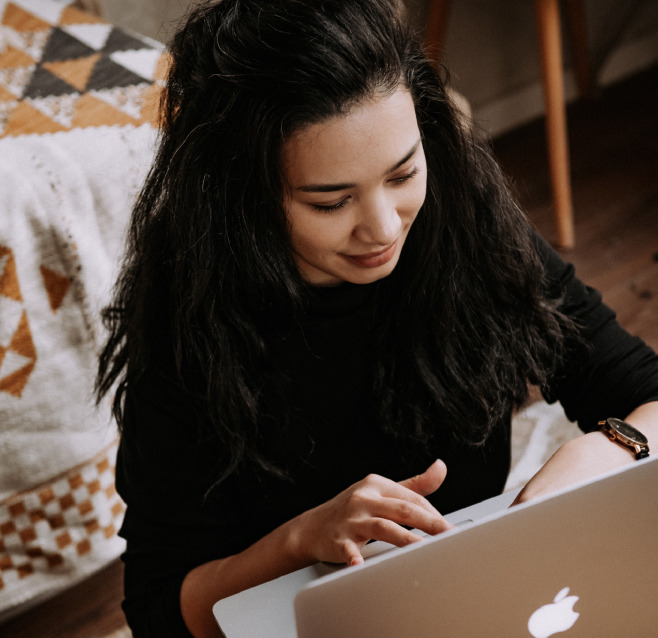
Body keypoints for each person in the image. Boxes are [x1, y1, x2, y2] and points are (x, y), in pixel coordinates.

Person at [95, 1, 658, 636]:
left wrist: (613, 449)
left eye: (403, 173)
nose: (385, 228)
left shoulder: (468, 229)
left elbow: (647, 393)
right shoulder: (190, 338)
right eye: (331, 201)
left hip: (482, 600)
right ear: (242, 197)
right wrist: (300, 540)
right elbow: (159, 609)